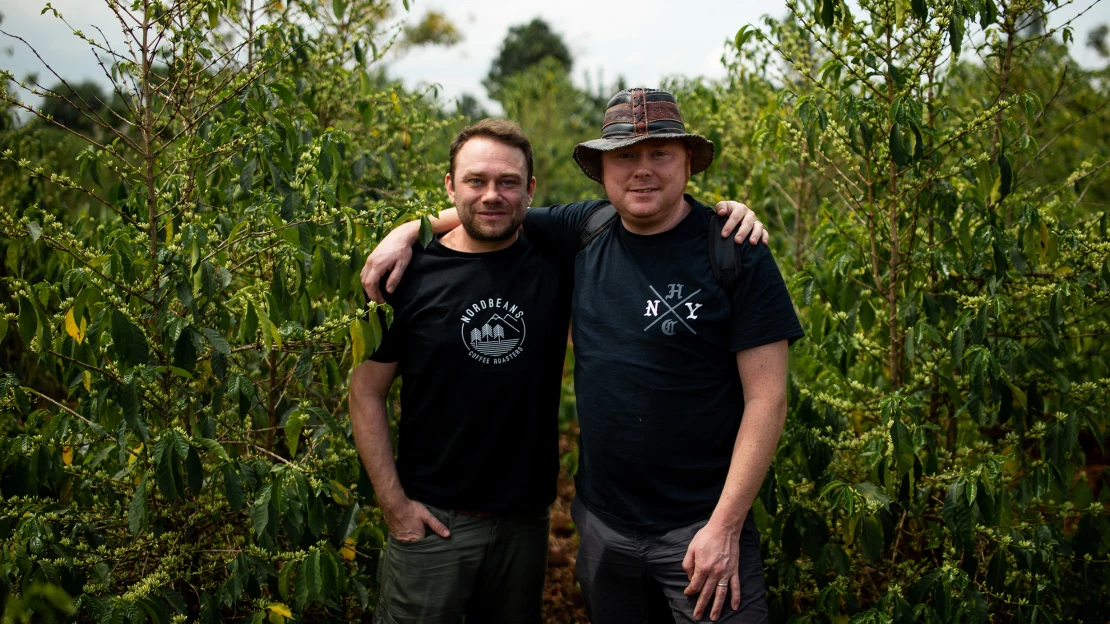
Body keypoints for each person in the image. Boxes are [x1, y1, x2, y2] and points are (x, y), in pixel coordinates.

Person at [349, 117, 766, 623]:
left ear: (530, 191)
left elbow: (765, 397)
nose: (491, 196)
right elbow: (366, 392)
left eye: (660, 154)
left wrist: (733, 212)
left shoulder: (580, 251)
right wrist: (407, 231)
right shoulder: (412, 273)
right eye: (475, 181)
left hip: (573, 524)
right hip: (483, 521)